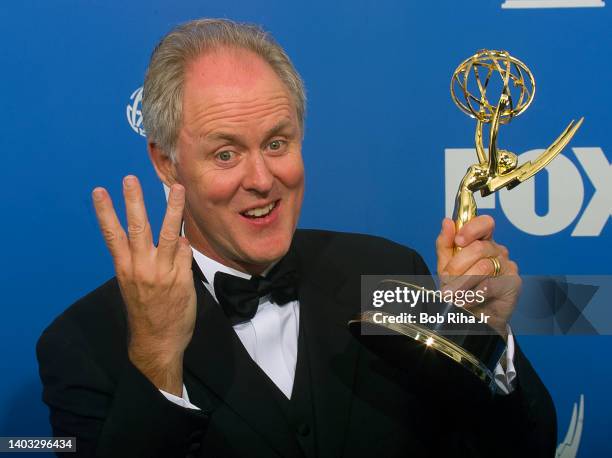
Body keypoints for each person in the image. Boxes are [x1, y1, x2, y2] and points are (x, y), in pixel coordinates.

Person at [37, 18, 556, 457]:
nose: (262, 179)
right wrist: (156, 360)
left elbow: (520, 446)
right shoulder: (84, 342)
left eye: (277, 142)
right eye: (226, 153)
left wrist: (485, 339)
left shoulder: (386, 272)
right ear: (167, 165)